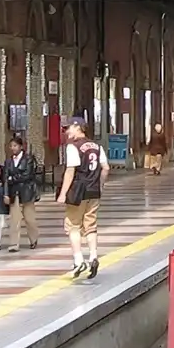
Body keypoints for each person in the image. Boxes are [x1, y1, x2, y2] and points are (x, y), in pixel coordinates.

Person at [59, 118, 104, 279]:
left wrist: (63, 193)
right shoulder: (97, 146)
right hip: (94, 191)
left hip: (78, 192)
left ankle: (79, 260)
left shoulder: (73, 147)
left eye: (68, 128)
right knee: (90, 225)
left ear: (78, 127)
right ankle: (93, 256)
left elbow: (70, 171)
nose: (66, 132)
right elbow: (105, 167)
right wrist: (100, 184)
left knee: (73, 225)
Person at [3, 134, 40, 251]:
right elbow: (5, 178)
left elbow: (27, 175)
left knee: (30, 219)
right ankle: (14, 244)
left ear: (20, 147)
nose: (13, 148)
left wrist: (12, 179)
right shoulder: (8, 161)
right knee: (15, 219)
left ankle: (33, 239)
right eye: (11, 146)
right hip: (14, 193)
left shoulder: (28, 159)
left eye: (15, 146)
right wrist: (6, 193)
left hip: (27, 192)